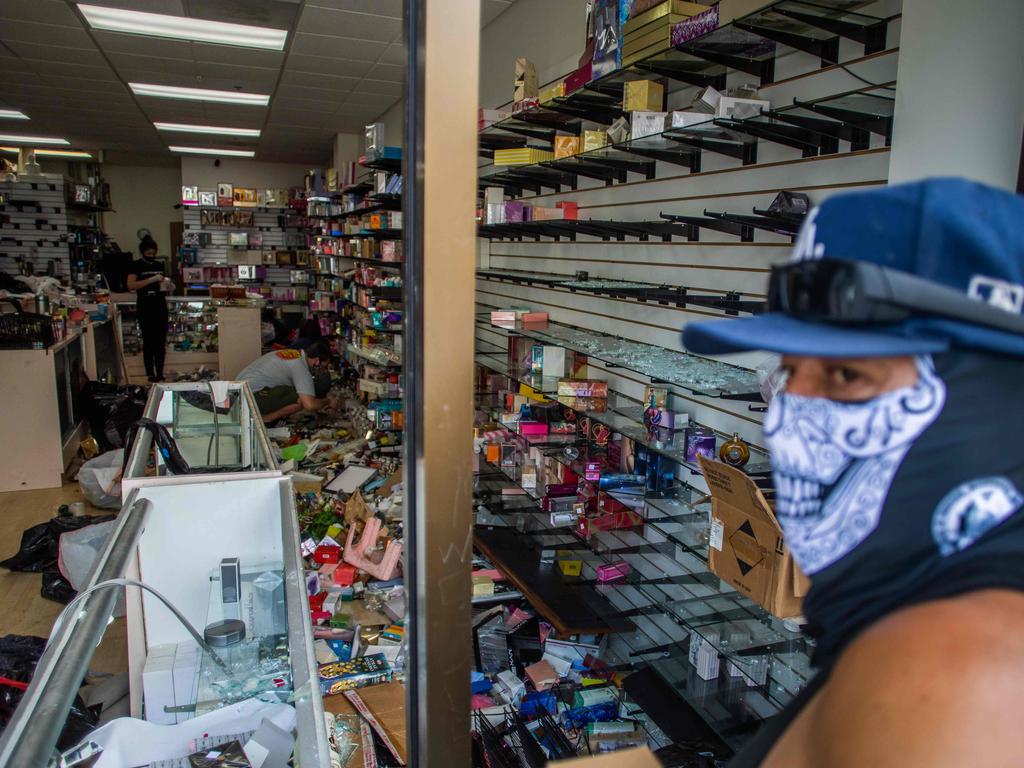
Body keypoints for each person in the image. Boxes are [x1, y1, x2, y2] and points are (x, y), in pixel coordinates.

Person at [681, 178, 1024, 767]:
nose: (790, 417)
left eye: (845, 376)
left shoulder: (963, 677)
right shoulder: (903, 617)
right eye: (791, 371)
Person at [238, 340, 336, 423]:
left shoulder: (295, 355)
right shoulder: (301, 368)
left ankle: (263, 417)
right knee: (301, 399)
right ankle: (264, 420)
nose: (323, 370)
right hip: (250, 398)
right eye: (324, 366)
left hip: (241, 392)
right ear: (317, 361)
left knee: (295, 393)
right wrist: (328, 401)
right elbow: (309, 405)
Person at [126, 235, 169, 383]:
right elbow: (131, 285)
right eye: (148, 254)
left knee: (160, 343)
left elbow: (163, 285)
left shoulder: (159, 265)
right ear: (142, 252)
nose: (151, 256)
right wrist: (150, 280)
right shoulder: (135, 265)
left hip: (160, 306)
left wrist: (167, 284)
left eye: (153, 253)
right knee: (149, 342)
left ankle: (160, 373)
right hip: (145, 306)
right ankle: (150, 374)